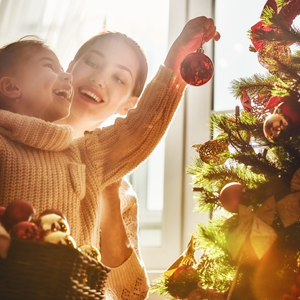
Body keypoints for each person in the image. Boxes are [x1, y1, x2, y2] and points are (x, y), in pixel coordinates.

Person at [0, 17, 219, 300]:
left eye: (119, 77)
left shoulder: (89, 157)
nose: (99, 79)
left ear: (129, 105)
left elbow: (140, 128)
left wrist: (178, 58)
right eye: (92, 63)